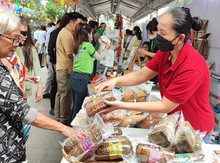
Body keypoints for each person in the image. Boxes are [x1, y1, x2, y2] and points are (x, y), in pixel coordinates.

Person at [0, 7, 75, 163]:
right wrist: (64, 128)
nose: (16, 44)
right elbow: (24, 112)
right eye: (13, 39)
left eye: (19, 38)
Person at [95, 7, 214, 143]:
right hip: (175, 124)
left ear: (180, 38)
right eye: (158, 30)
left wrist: (121, 105)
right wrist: (115, 81)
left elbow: (165, 106)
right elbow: (141, 75)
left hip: (196, 131)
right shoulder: (166, 53)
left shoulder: (192, 67)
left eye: (163, 33)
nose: (158, 36)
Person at [69, 23, 111, 123]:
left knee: (75, 105)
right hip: (82, 79)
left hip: (74, 77)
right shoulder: (88, 45)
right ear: (88, 34)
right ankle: (73, 130)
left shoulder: (77, 45)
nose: (92, 35)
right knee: (79, 108)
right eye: (91, 33)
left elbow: (88, 59)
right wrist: (106, 48)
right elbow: (100, 58)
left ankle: (70, 125)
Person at [54, 12, 84, 125]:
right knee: (65, 95)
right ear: (71, 23)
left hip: (62, 67)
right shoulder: (67, 34)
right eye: (78, 24)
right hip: (65, 68)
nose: (79, 27)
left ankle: (58, 117)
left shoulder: (66, 32)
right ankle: (63, 120)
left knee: (61, 94)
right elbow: (70, 53)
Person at [47, 14, 71, 116]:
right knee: (56, 86)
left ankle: (57, 112)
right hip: (58, 63)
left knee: (59, 90)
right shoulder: (57, 33)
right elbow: (50, 48)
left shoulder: (63, 32)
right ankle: (54, 109)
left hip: (60, 64)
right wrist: (54, 62)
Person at [16, 17, 43, 103]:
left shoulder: (30, 48)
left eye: (26, 33)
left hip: (25, 88)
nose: (25, 36)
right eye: (22, 33)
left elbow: (37, 69)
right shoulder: (8, 48)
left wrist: (40, 87)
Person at [43, 21, 58, 98]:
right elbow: (49, 45)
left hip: (49, 54)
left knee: (50, 73)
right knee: (50, 74)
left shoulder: (51, 30)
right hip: (50, 55)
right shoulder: (53, 31)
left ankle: (46, 90)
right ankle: (45, 91)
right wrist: (53, 60)